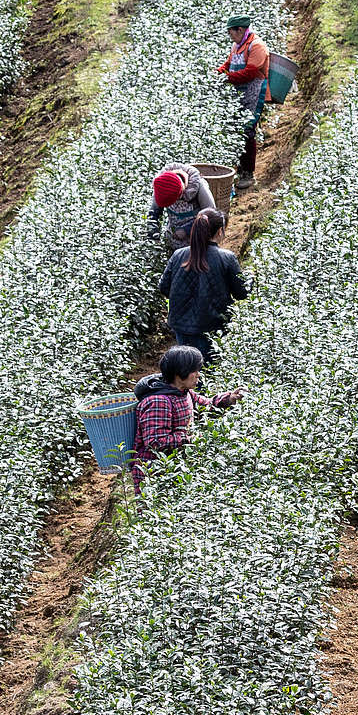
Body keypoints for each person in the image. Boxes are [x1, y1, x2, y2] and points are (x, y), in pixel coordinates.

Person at [130, 345, 242, 492]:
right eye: (194, 371)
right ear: (179, 373)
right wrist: (190, 438)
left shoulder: (183, 392)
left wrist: (229, 399)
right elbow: (155, 441)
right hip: (152, 471)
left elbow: (207, 405)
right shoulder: (158, 401)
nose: (198, 375)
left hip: (173, 465)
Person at [157, 208, 250, 364]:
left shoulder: (179, 254)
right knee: (208, 373)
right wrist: (250, 280)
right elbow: (241, 293)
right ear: (220, 231)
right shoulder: (226, 258)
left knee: (187, 369)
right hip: (211, 326)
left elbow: (164, 288)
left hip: (181, 326)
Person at [217, 16, 270, 186]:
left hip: (253, 94)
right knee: (236, 130)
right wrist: (219, 72)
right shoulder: (237, 45)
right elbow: (229, 63)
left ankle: (248, 174)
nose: (229, 35)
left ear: (240, 30)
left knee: (247, 131)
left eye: (230, 31)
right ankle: (239, 169)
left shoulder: (257, 46)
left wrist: (227, 78)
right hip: (238, 94)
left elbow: (250, 72)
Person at [146, 165, 216, 253]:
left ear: (181, 193)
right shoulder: (162, 184)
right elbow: (154, 212)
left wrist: (187, 230)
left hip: (195, 243)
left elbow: (211, 216)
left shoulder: (199, 187)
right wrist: (153, 232)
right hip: (173, 237)